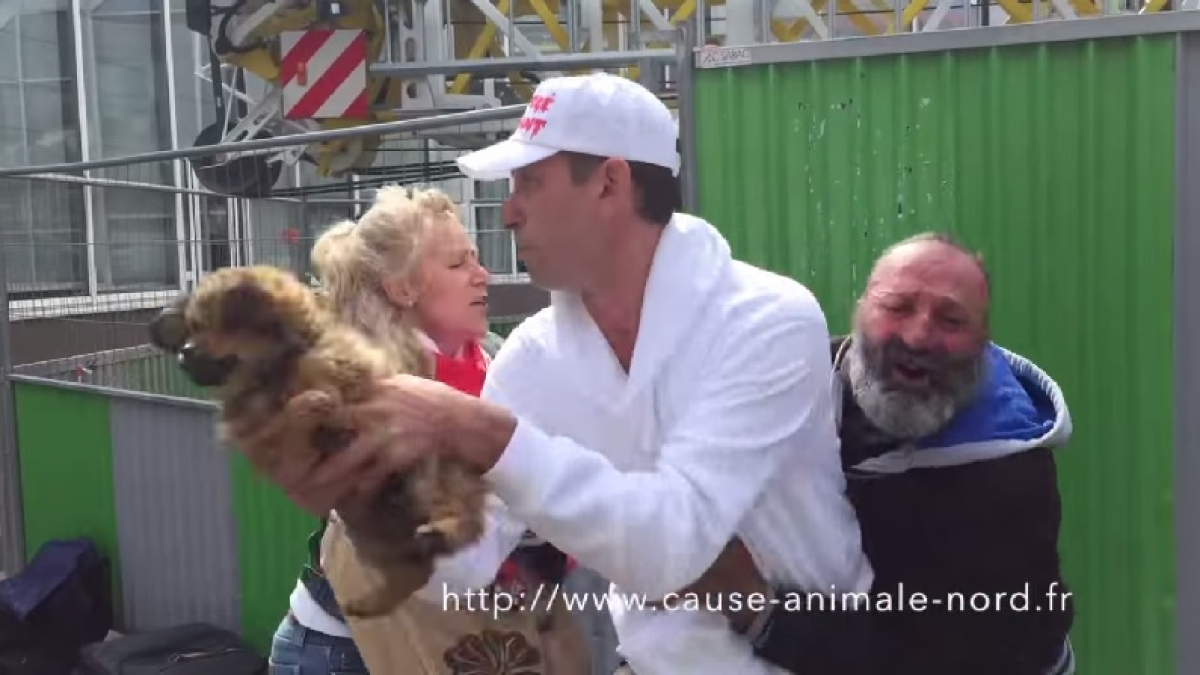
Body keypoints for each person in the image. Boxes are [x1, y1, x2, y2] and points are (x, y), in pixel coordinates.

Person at [241, 72, 874, 675]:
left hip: (807, 657)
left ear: (609, 183)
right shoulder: (536, 357)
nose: (510, 212)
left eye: (530, 183)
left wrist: (483, 435)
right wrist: (359, 493)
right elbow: (460, 566)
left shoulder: (766, 319)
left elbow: (674, 547)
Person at [709, 233, 1076, 675]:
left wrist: (748, 600)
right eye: (898, 307)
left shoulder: (1006, 474)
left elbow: (927, 654)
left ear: (983, 341)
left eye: (951, 320)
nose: (920, 336)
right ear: (861, 311)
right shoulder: (799, 382)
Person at [268, 185, 585, 675]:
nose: (484, 277)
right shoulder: (372, 394)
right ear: (403, 287)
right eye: (458, 265)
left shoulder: (494, 359)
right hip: (343, 654)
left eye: (477, 260)